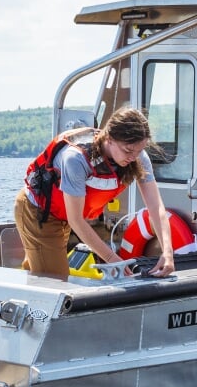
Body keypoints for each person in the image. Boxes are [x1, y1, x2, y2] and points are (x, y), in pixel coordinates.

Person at [14, 107, 176, 279]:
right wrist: (111, 258)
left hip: (63, 214)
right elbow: (76, 220)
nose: (134, 157)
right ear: (109, 138)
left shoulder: (137, 156)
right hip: (38, 212)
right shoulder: (75, 159)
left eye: (139, 151)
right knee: (55, 280)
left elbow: (155, 207)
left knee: (40, 266)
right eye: (128, 151)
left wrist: (167, 251)